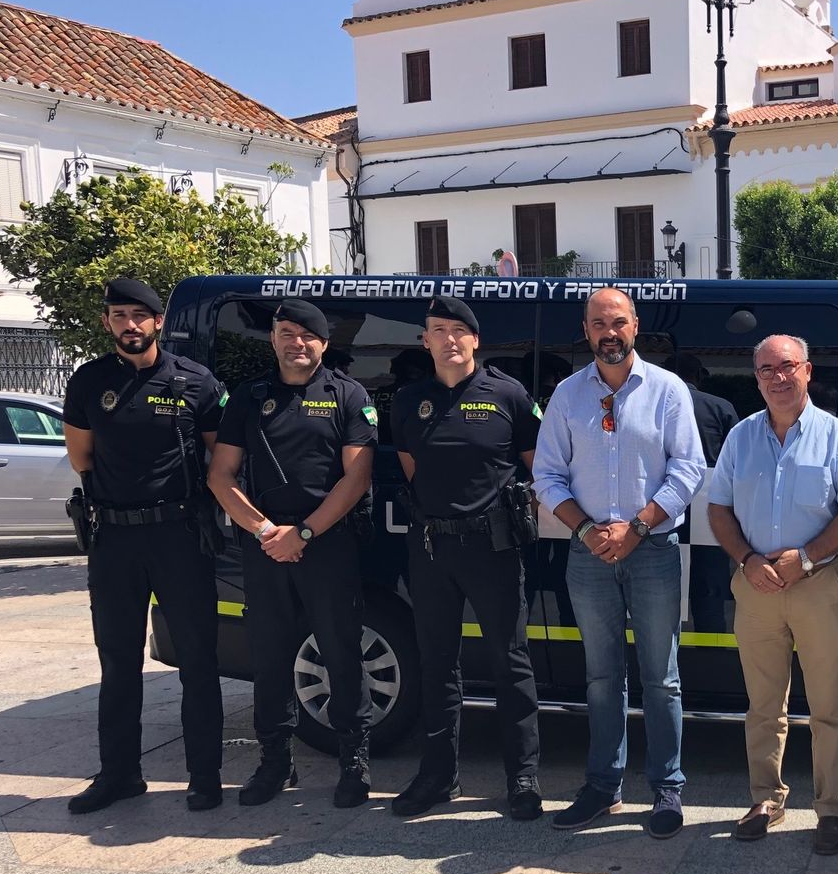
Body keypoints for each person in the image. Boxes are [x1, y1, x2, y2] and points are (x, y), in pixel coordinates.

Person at [531, 287, 706, 839]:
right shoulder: (566, 395)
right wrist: (587, 530)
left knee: (662, 678)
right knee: (602, 677)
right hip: (587, 554)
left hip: (653, 549)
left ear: (636, 326)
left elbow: (688, 468)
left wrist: (637, 527)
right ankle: (603, 786)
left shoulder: (668, 390)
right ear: (586, 331)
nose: (609, 333)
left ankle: (667, 787)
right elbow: (546, 476)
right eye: (598, 324)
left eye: (618, 322)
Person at [60, 278, 227, 813]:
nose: (129, 325)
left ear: (158, 322)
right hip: (114, 538)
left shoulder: (195, 381)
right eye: (119, 316)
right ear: (107, 322)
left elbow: (219, 459)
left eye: (139, 315)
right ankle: (120, 775)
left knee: (197, 658)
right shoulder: (89, 382)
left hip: (179, 534)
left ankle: (205, 776)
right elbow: (81, 458)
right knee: (117, 659)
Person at [706, 334, 838, 855]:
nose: (777, 377)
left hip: (817, 582)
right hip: (755, 583)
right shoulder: (740, 437)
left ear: (807, 371)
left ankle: (831, 808)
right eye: (766, 370)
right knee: (763, 704)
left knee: (828, 704)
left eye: (787, 366)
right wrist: (747, 559)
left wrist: (803, 559)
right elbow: (718, 508)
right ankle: (765, 799)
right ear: (756, 378)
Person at [207, 299, 378, 808]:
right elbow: (220, 475)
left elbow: (357, 478)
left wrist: (302, 533)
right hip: (265, 546)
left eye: (307, 335)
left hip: (328, 544)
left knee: (341, 653)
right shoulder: (249, 396)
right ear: (273, 339)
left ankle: (354, 761)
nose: (296, 343)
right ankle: (275, 761)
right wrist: (266, 532)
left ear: (323, 343)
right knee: (270, 656)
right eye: (286, 333)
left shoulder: (347, 394)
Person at [389, 296, 544, 819]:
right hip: (432, 546)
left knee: (510, 661)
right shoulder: (408, 400)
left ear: (476, 339)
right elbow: (412, 469)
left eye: (459, 330)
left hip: (493, 547)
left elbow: (538, 467)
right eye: (439, 330)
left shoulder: (508, 394)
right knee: (436, 663)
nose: (449, 339)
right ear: (425, 341)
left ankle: (522, 776)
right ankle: (438, 776)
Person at [671, 352, 738, 633]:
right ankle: (710, 649)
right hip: (710, 514)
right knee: (709, 588)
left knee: (661, 591)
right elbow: (738, 464)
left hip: (662, 514)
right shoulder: (720, 407)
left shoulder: (652, 406)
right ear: (698, 375)